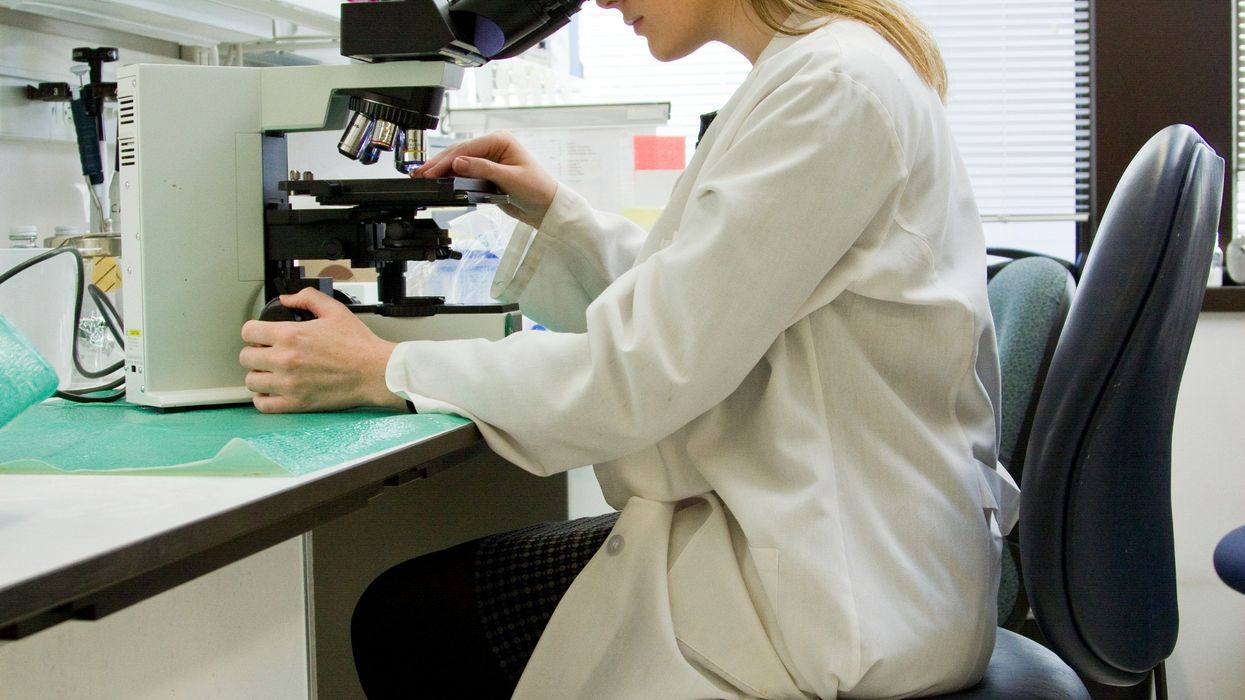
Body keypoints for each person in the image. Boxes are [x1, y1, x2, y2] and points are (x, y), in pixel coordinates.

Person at [239, 0, 1020, 696]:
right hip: (837, 540)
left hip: (838, 589)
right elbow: (715, 307)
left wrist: (385, 368)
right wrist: (560, 217)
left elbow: (641, 372)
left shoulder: (828, 87)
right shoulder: (827, 69)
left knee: (408, 622)